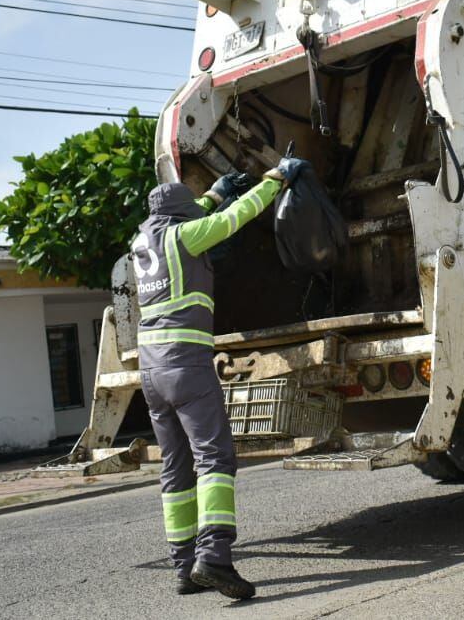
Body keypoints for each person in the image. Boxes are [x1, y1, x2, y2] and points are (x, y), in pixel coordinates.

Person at [132, 157, 308, 599]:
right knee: (214, 460)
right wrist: (275, 179)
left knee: (175, 468)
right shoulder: (185, 237)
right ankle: (214, 558)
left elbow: (200, 213)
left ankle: (183, 566)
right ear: (180, 215)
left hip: (151, 371)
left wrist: (215, 189)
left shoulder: (140, 244)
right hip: (186, 365)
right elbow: (233, 218)